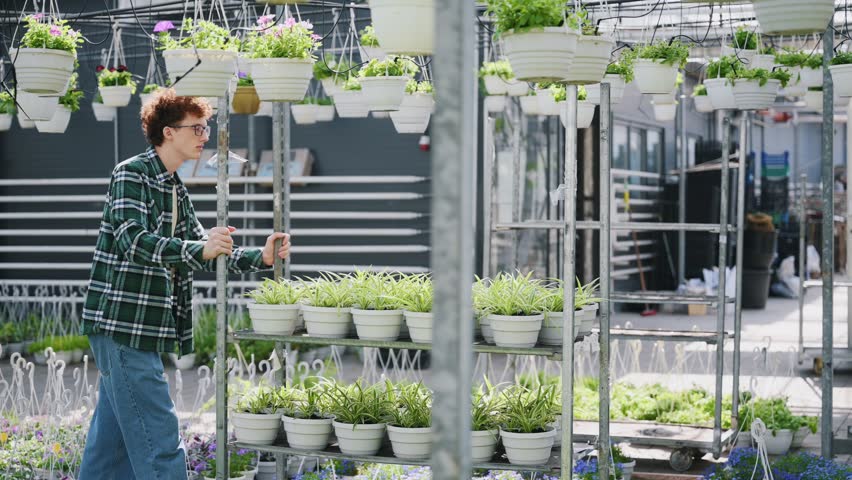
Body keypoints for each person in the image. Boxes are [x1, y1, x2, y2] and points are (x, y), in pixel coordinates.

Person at [78, 88, 290, 480]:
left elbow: (204, 251)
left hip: (141, 327)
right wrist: (200, 248)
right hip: (122, 325)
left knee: (112, 446)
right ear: (168, 132)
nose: (205, 136)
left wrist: (258, 258)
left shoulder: (175, 187)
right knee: (158, 436)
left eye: (205, 127)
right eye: (197, 128)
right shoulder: (132, 173)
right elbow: (132, 240)